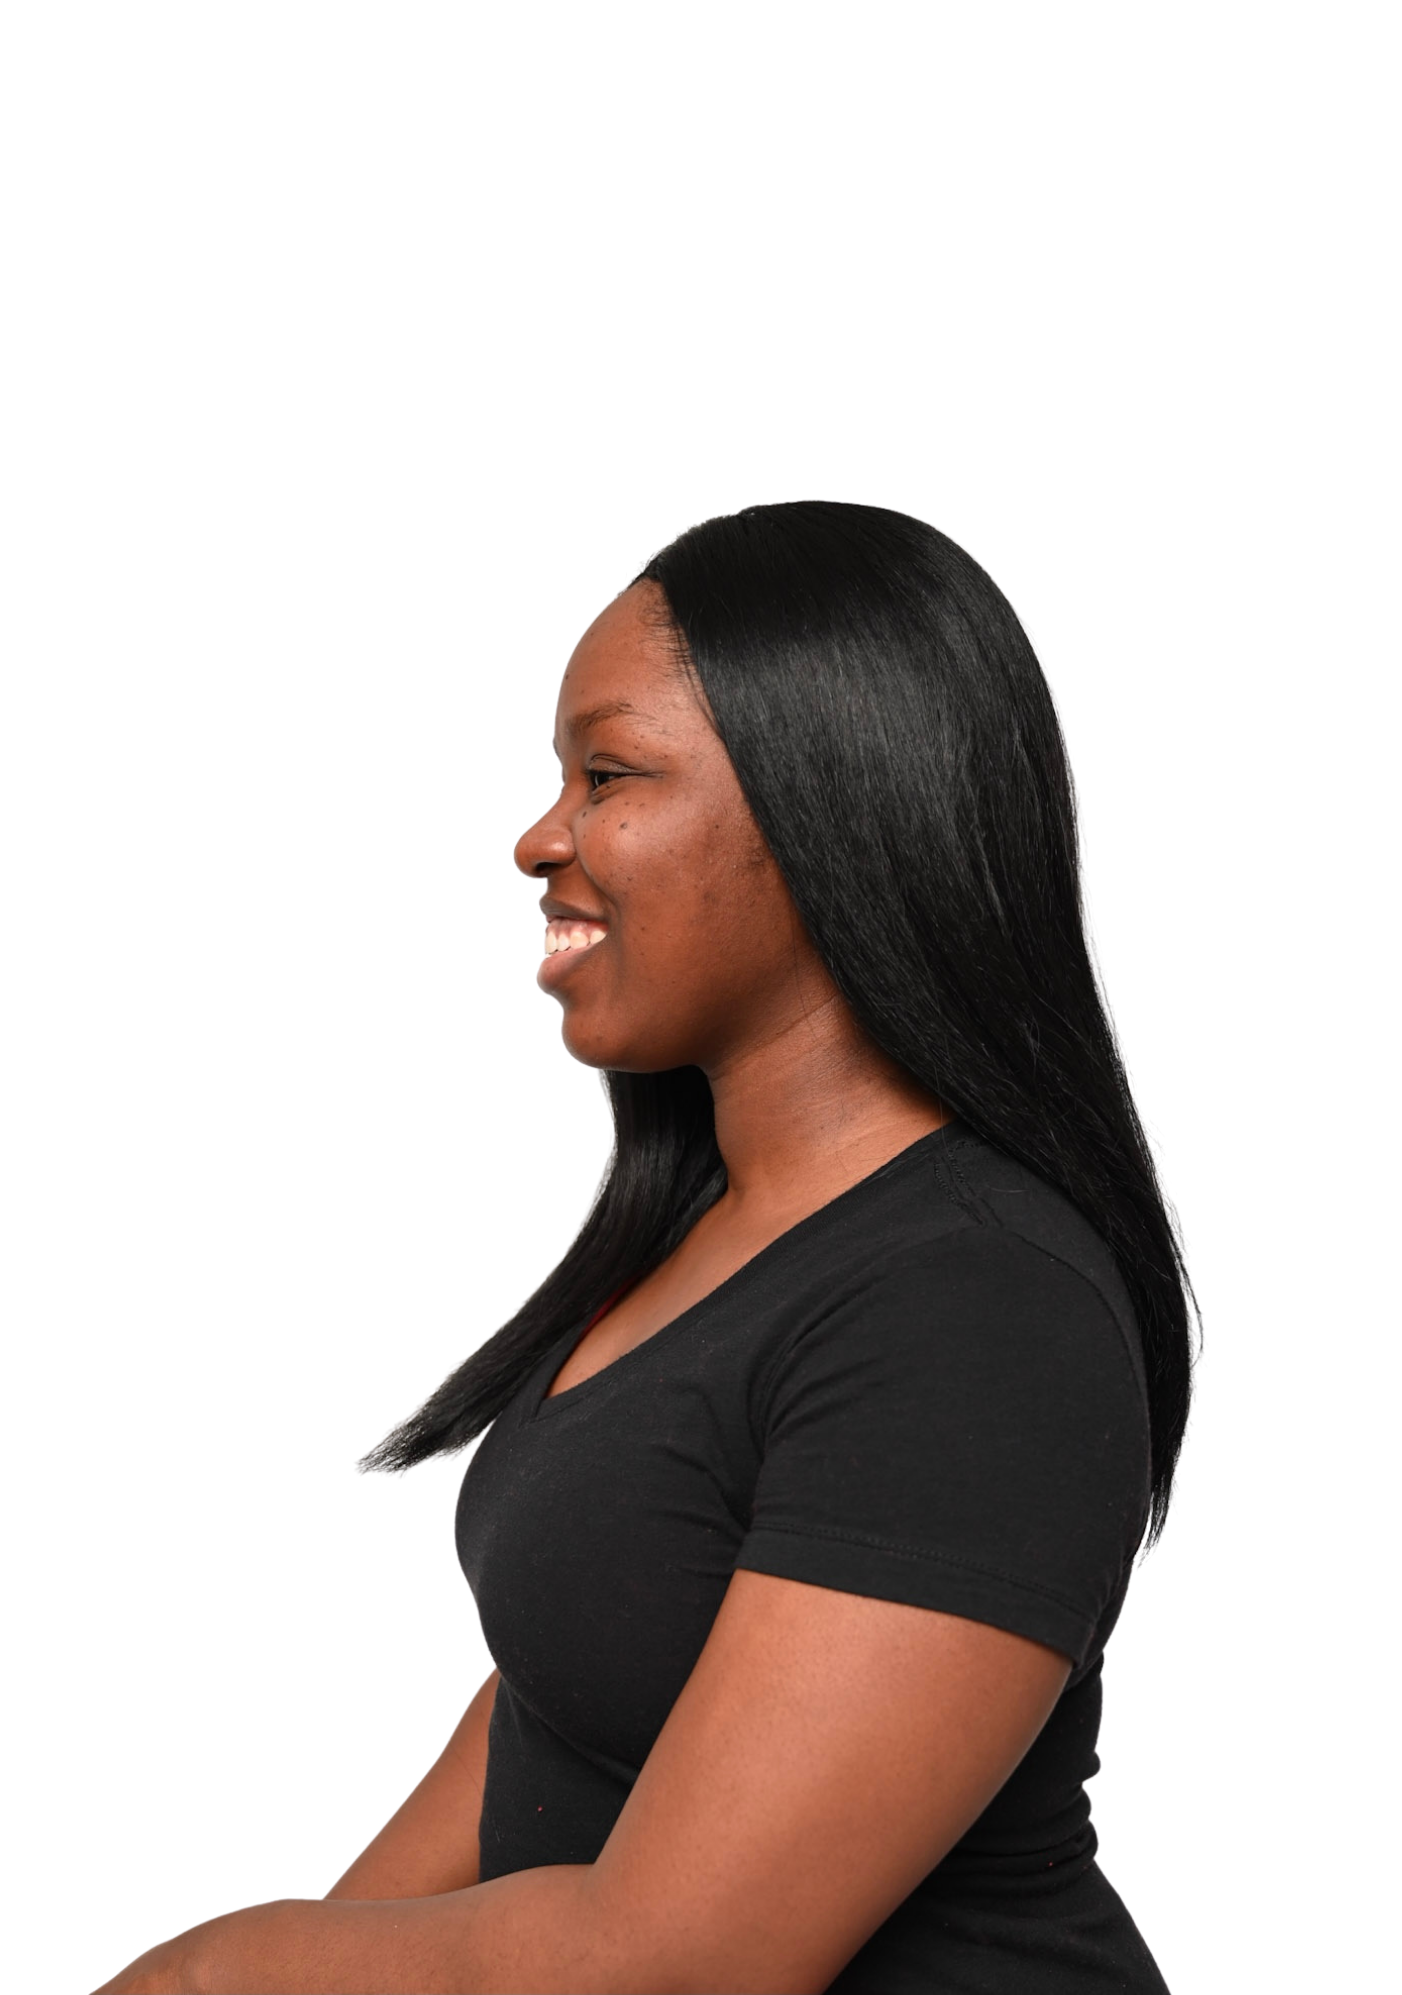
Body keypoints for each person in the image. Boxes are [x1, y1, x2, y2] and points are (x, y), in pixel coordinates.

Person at [95, 501, 1194, 1994]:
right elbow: (558, 1689)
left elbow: (683, 1965)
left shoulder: (976, 1306)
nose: (539, 838)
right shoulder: (712, 1233)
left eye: (606, 775)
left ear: (828, 807)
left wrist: (221, 1972)